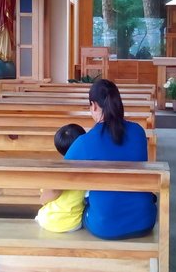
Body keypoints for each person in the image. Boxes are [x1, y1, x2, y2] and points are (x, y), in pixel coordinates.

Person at [64, 79, 157, 240]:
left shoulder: (84, 142)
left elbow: (59, 176)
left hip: (106, 226)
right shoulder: (138, 132)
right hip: (144, 220)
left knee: (83, 206)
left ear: (93, 106)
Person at [35, 124, 86, 233]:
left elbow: (48, 196)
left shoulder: (56, 172)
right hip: (74, 224)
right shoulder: (87, 171)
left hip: (48, 221)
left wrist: (42, 200)